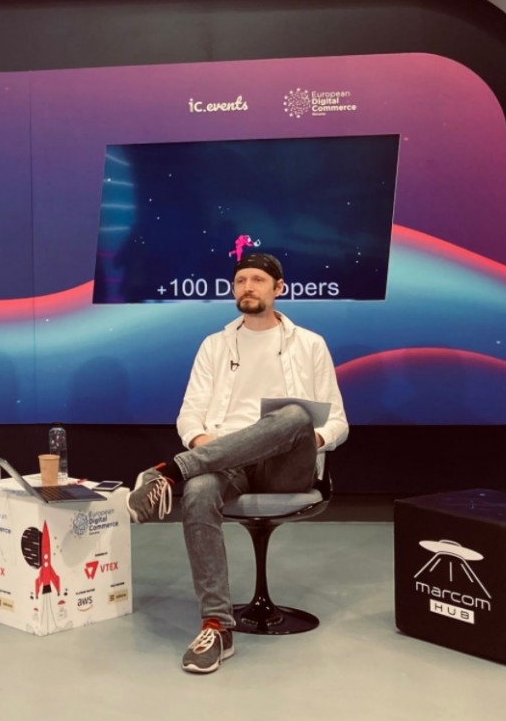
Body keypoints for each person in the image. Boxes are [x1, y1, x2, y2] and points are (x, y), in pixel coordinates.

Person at [126, 252, 348, 673]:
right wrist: (206, 442)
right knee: (199, 489)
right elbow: (189, 415)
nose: (248, 287)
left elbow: (338, 421)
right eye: (241, 280)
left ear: (278, 288)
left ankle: (170, 472)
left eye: (258, 280)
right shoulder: (215, 344)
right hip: (228, 462)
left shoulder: (310, 344)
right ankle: (217, 626)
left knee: (295, 415)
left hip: (287, 467)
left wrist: (304, 437)